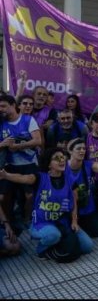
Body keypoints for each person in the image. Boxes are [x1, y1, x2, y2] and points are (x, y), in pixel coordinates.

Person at [0, 148, 94, 259]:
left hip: (63, 223)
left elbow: (74, 204)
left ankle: (57, 241)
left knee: (88, 246)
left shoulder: (70, 180)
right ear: (49, 164)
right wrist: (6, 175)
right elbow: (24, 178)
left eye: (63, 157)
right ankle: (41, 250)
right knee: (53, 235)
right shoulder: (40, 178)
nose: (61, 160)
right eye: (56, 158)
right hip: (41, 224)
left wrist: (74, 221)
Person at [0, 94, 43, 227]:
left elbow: (38, 141)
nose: (1, 109)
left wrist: (17, 146)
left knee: (30, 196)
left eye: (3, 106)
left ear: (13, 105)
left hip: (29, 164)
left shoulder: (28, 120)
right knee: (3, 197)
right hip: (9, 166)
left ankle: (27, 219)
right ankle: (7, 222)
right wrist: (3, 144)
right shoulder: (1, 123)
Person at [66, 139, 98, 238]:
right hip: (69, 209)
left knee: (97, 231)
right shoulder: (63, 167)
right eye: (78, 149)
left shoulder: (89, 164)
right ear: (70, 151)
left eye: (84, 148)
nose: (82, 151)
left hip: (87, 208)